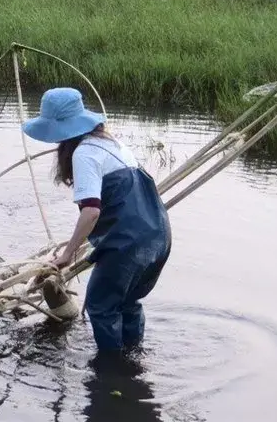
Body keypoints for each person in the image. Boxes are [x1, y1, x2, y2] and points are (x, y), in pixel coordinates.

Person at [22, 87, 171, 353]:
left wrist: (68, 253)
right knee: (128, 302)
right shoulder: (112, 143)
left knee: (101, 307)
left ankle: (110, 373)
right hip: (158, 235)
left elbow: (91, 211)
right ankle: (133, 360)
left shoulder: (84, 154)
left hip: (127, 245)